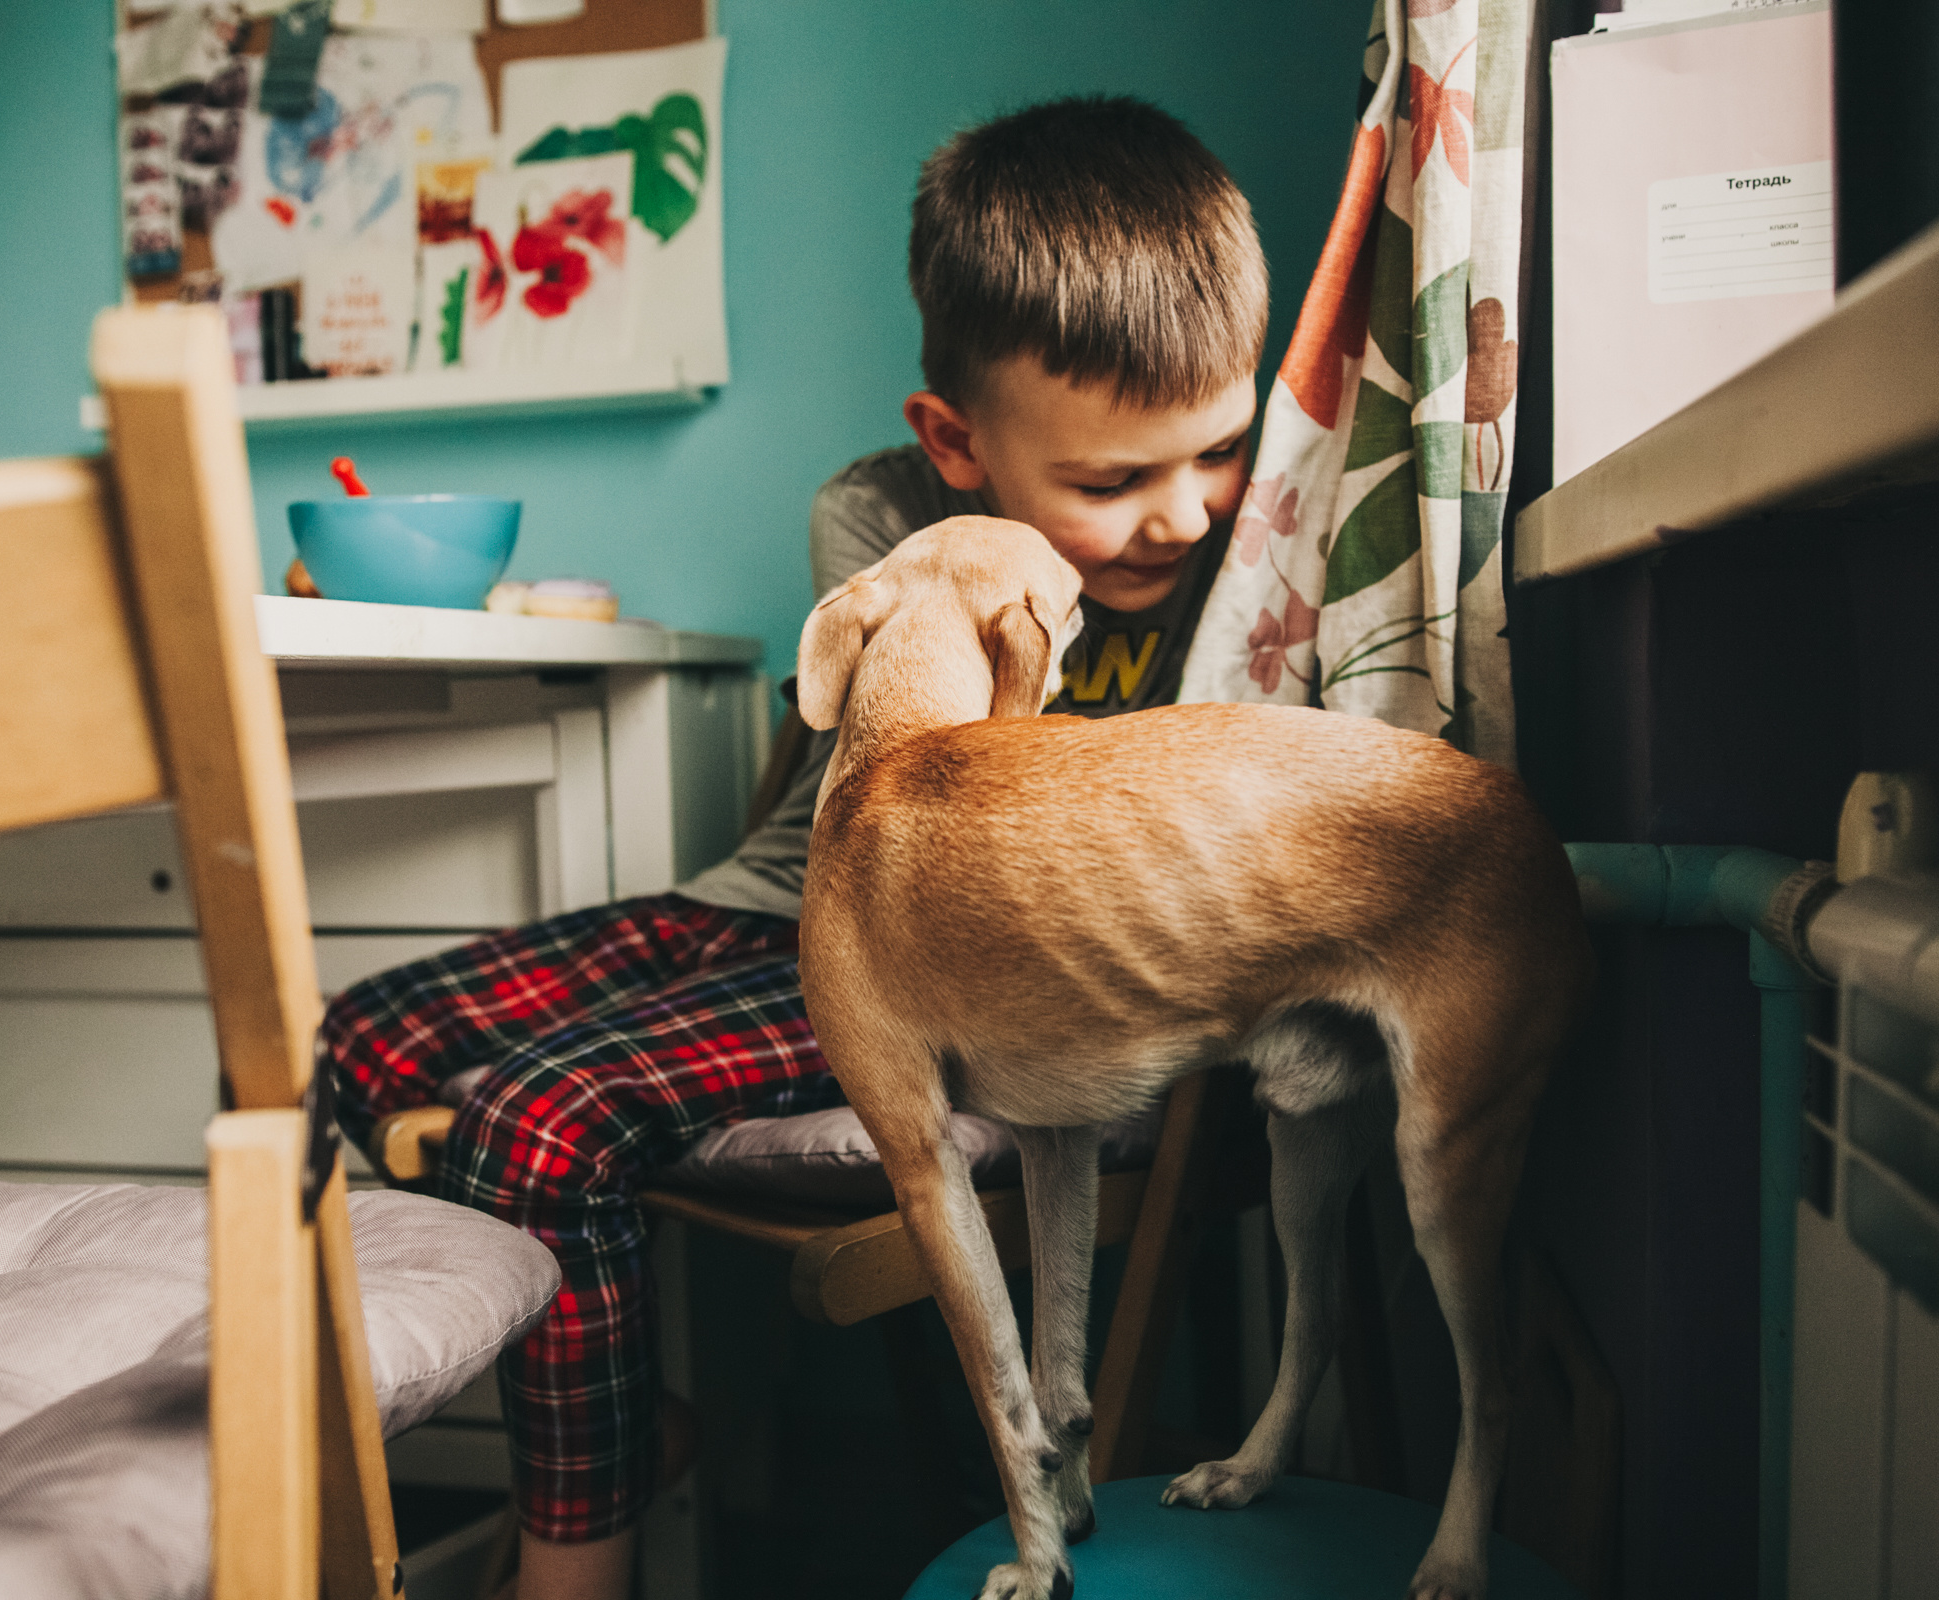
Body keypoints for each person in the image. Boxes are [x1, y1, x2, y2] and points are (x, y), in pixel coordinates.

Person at [318, 94, 1269, 1600]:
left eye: (1219, 450)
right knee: (361, 1035)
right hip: (792, 894)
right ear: (954, 442)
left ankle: (581, 1557)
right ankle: (626, 1424)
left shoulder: (1254, 561)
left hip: (936, 959)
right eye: (1106, 483)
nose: (1183, 515)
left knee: (539, 1117)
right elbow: (891, 773)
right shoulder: (884, 516)